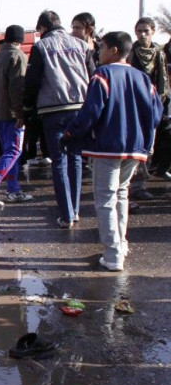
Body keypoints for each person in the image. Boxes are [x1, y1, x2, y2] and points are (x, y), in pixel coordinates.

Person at [62, 32, 162, 271]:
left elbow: (91, 112)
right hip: (136, 147)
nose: (99, 52)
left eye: (102, 47)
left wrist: (71, 133)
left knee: (106, 198)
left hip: (108, 146)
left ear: (114, 49)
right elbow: (156, 113)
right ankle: (121, 243)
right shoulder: (143, 78)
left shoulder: (102, 75)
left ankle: (113, 253)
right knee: (121, 194)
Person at [23, 10, 93, 229]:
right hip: (81, 109)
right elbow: (93, 75)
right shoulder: (82, 45)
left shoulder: (41, 47)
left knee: (59, 162)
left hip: (53, 111)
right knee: (75, 159)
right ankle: (76, 209)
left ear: (43, 28)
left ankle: (67, 215)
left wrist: (26, 108)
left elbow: (32, 81)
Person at [0, 25, 33, 210]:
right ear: (21, 39)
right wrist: (20, 113)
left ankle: (13, 189)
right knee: (14, 151)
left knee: (9, 152)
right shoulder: (18, 56)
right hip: (12, 113)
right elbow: (17, 88)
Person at [127, 17, 169, 201]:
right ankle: (132, 184)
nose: (142, 34)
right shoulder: (131, 52)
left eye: (146, 31)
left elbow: (162, 82)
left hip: (150, 105)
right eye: (139, 31)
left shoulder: (159, 53)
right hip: (132, 105)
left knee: (148, 147)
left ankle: (140, 183)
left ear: (153, 31)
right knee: (133, 145)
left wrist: (158, 105)